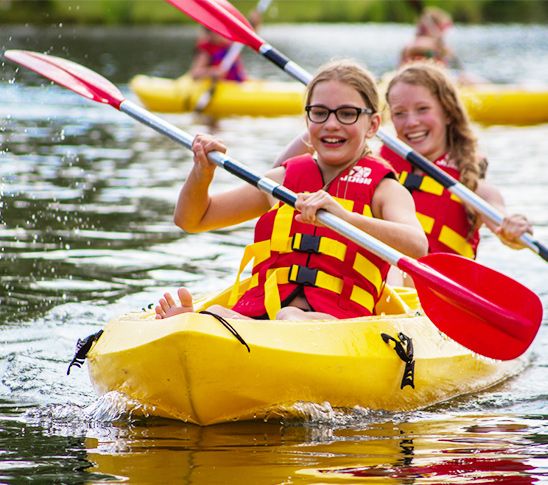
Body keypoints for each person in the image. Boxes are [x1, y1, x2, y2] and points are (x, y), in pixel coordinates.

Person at [155, 60, 428, 321]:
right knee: (220, 313)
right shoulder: (284, 179)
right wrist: (202, 174)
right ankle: (202, 324)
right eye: (320, 113)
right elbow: (192, 219)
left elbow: (417, 245)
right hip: (264, 310)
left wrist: (344, 218)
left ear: (373, 125)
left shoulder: (385, 189)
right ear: (308, 122)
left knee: (290, 316)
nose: (332, 124)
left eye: (347, 114)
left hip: (339, 321)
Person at [382, 62, 533, 265]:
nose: (411, 122)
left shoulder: (472, 186)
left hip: (434, 288)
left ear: (447, 112)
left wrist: (513, 227)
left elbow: (503, 224)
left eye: (422, 109)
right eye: (400, 113)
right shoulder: (377, 167)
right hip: (385, 284)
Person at [189, 10, 262, 82]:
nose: (223, 34)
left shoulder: (230, 43)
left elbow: (249, 37)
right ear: (210, 34)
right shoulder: (206, 51)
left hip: (239, 84)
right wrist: (213, 72)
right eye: (218, 32)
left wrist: (254, 23)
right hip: (225, 88)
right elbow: (195, 73)